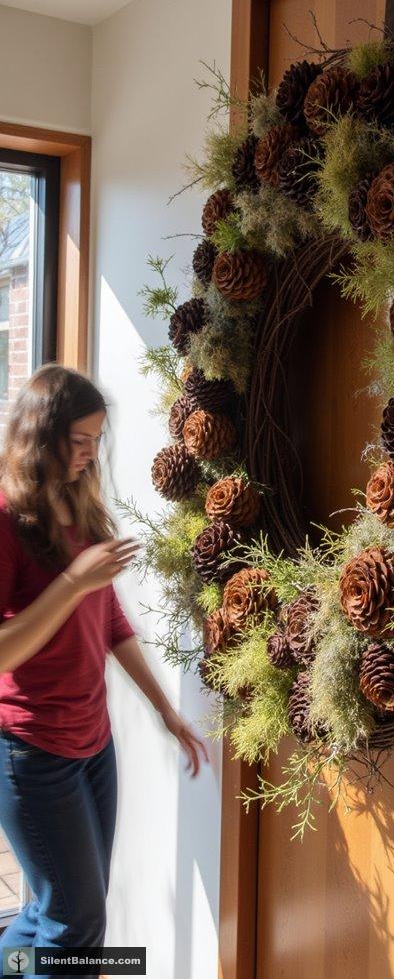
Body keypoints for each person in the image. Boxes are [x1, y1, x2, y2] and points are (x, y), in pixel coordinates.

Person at [0, 363, 208, 977]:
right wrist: (71, 581)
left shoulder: (80, 507)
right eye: (80, 441)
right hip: (31, 752)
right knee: (78, 926)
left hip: (93, 748)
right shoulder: (8, 518)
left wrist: (166, 711)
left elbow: (109, 622)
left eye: (97, 441)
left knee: (52, 913)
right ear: (42, 434)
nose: (92, 456)